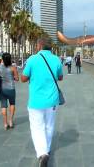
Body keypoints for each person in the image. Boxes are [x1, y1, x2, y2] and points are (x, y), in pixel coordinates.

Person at [21, 37, 63, 167]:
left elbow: (23, 78)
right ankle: (47, 150)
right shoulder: (56, 59)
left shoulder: (32, 59)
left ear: (39, 46)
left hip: (36, 101)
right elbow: (60, 77)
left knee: (37, 127)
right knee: (49, 126)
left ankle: (42, 153)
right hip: (52, 100)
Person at [0, 53, 19, 130]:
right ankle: (10, 121)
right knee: (12, 103)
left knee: (3, 105)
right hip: (11, 88)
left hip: (1, 89)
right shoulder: (13, 67)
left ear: (2, 59)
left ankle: (5, 123)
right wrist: (13, 77)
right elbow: (17, 78)